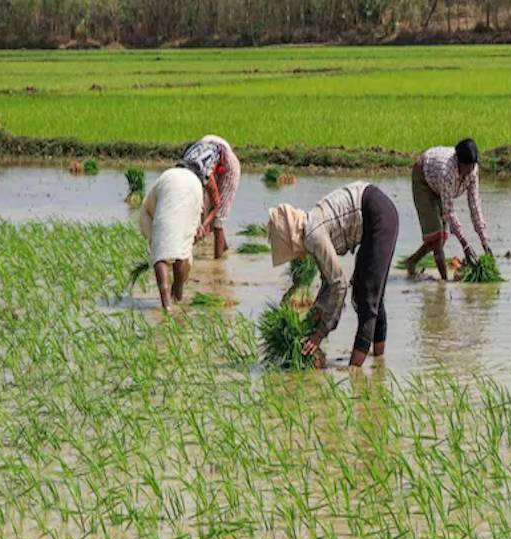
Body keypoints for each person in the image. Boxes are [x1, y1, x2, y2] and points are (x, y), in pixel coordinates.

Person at [267, 182, 399, 367]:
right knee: (368, 293)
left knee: (368, 297)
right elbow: (328, 282)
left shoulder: (313, 236)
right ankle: (379, 365)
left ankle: (355, 373)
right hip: (376, 210)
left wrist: (319, 334)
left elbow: (339, 285)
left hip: (379, 215)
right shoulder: (311, 227)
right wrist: (317, 312)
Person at [139, 163, 222, 312]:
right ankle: (177, 295)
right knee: (183, 251)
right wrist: (196, 232)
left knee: (160, 254)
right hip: (192, 197)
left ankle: (167, 306)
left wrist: (156, 239)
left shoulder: (167, 175)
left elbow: (148, 207)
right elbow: (198, 212)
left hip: (164, 204)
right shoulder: (196, 182)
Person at [405, 139, 490, 280]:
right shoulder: (447, 172)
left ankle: (412, 261)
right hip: (424, 180)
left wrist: (485, 243)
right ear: (458, 161)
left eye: (472, 166)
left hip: (438, 184)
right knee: (437, 238)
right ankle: (444, 284)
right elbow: (449, 212)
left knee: (442, 238)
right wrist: (466, 246)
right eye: (466, 166)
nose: (469, 171)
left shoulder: (472, 171)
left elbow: (474, 205)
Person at [179, 135, 240, 260]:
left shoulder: (205, 175)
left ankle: (218, 261)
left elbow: (217, 206)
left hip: (228, 166)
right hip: (210, 148)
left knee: (218, 220)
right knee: (204, 210)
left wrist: (203, 226)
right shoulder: (181, 170)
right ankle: (224, 247)